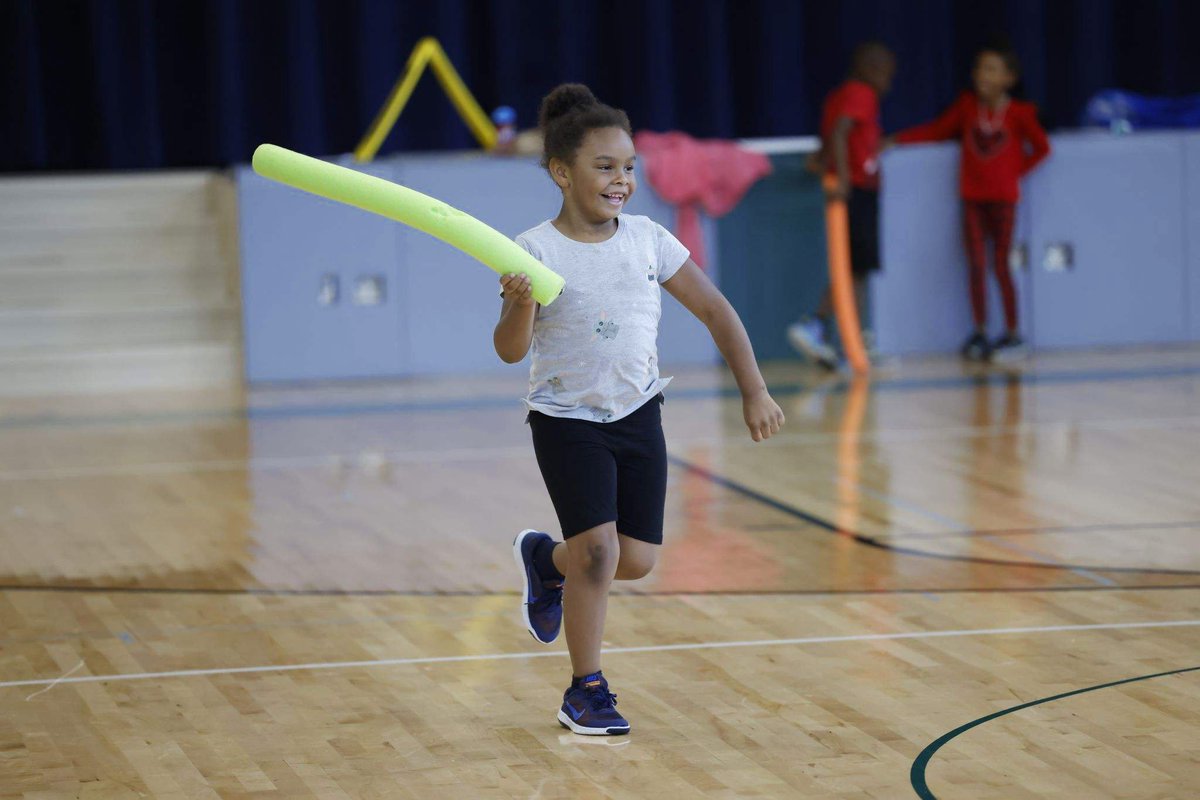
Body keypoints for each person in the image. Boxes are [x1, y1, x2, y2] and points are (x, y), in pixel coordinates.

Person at [495, 83, 785, 736]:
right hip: (567, 419)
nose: (621, 179)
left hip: (638, 416)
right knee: (597, 553)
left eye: (628, 166)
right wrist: (517, 302)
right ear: (562, 173)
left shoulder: (650, 240)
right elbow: (511, 351)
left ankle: (546, 563)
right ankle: (585, 690)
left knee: (636, 559)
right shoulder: (534, 250)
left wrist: (754, 388)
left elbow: (716, 310)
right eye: (605, 166)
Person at [892, 42, 1050, 362]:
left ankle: (1013, 333)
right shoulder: (967, 107)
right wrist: (897, 139)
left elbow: (1042, 148)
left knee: (1001, 265)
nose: (983, 75)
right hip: (973, 201)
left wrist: (1014, 172)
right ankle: (980, 331)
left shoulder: (1019, 113)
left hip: (1004, 201)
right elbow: (938, 131)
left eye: (992, 69)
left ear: (1009, 77)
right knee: (977, 265)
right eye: (979, 68)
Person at [789, 42, 896, 369]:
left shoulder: (840, 96)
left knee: (855, 268)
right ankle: (816, 325)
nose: (886, 80)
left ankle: (857, 342)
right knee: (852, 269)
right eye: (883, 71)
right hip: (857, 190)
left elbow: (833, 136)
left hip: (853, 187)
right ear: (867, 69)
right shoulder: (861, 93)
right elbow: (840, 131)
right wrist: (846, 178)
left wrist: (822, 162)